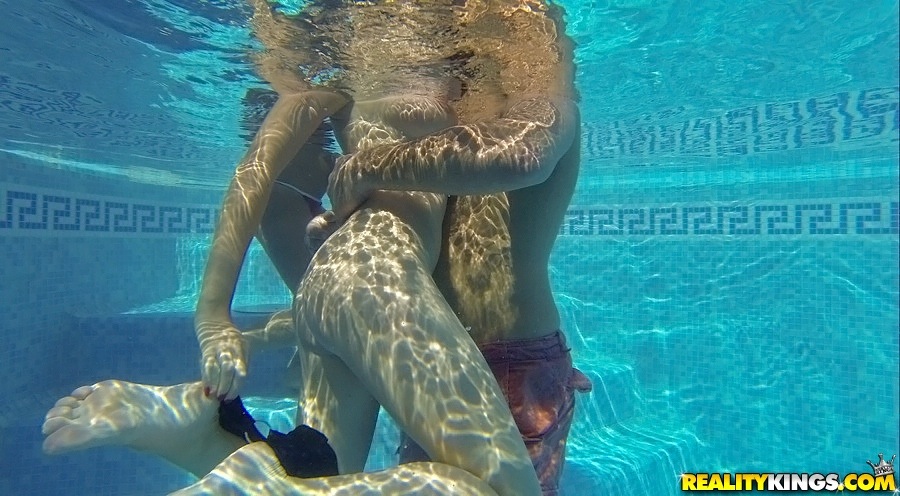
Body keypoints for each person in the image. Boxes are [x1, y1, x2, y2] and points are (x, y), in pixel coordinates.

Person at [44, 1, 590, 494]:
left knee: (319, 469)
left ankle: (208, 444)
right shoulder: (441, 98)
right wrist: (215, 318)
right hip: (386, 292)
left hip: (346, 292)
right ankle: (260, 476)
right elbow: (267, 173)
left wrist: (222, 318)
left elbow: (259, 176)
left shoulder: (401, 96)